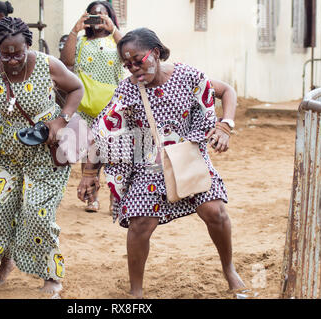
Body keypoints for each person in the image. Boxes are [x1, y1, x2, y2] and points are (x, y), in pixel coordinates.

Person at [77, 28, 244, 298]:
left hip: (188, 156)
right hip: (149, 166)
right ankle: (136, 291)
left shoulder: (188, 76)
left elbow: (227, 91)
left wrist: (225, 125)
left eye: (138, 60)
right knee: (140, 224)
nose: (133, 68)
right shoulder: (128, 90)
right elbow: (103, 131)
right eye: (127, 64)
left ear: (155, 53)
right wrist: (88, 173)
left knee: (215, 211)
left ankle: (229, 268)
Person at [0, 17, 84, 296]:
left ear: (28, 46)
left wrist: (60, 121)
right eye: (5, 54)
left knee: (38, 213)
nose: (12, 60)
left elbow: (76, 88)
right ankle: (7, 262)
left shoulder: (48, 64)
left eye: (18, 53)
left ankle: (51, 275)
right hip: (6, 150)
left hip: (45, 148)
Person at [60, 1, 124, 213]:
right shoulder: (80, 41)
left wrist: (113, 29)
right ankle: (91, 197)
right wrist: (74, 29)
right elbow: (66, 61)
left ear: (110, 17)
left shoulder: (117, 42)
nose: (98, 18)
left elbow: (127, 55)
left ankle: (115, 198)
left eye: (102, 14)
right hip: (85, 107)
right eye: (94, 14)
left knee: (113, 154)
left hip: (112, 108)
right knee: (89, 153)